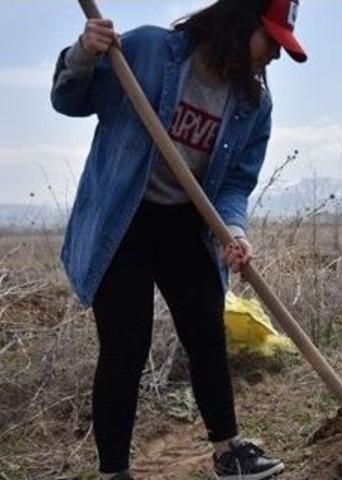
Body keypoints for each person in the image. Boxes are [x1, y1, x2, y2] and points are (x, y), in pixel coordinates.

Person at [50, 0, 307, 478]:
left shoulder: (254, 106)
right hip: (123, 217)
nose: (274, 55)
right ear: (240, 21)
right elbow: (68, 101)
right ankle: (114, 471)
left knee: (207, 333)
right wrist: (83, 53)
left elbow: (235, 184)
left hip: (186, 221)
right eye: (270, 40)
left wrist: (233, 230)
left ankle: (229, 451)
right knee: (126, 345)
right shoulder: (148, 50)